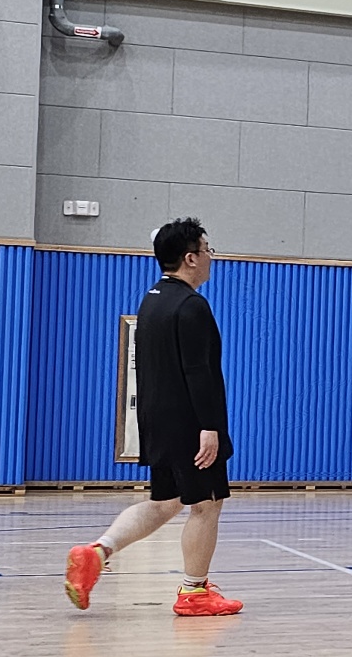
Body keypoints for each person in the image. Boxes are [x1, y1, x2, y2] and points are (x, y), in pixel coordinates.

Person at [63, 218, 242, 617]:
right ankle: (194, 592)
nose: (211, 257)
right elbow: (198, 372)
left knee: (164, 502)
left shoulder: (152, 300)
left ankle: (97, 552)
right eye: (207, 250)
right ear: (190, 258)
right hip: (190, 425)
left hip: (156, 422)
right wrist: (210, 427)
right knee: (207, 504)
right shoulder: (192, 305)